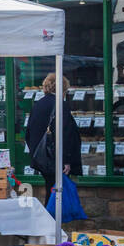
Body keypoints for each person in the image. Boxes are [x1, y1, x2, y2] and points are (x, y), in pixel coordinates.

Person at [26, 72, 82, 203]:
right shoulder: (60, 105)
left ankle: (50, 219)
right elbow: (65, 134)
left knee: (50, 189)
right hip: (56, 158)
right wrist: (66, 160)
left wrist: (36, 153)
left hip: (42, 158)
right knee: (55, 194)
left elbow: (28, 133)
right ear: (62, 88)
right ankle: (51, 220)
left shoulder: (37, 104)